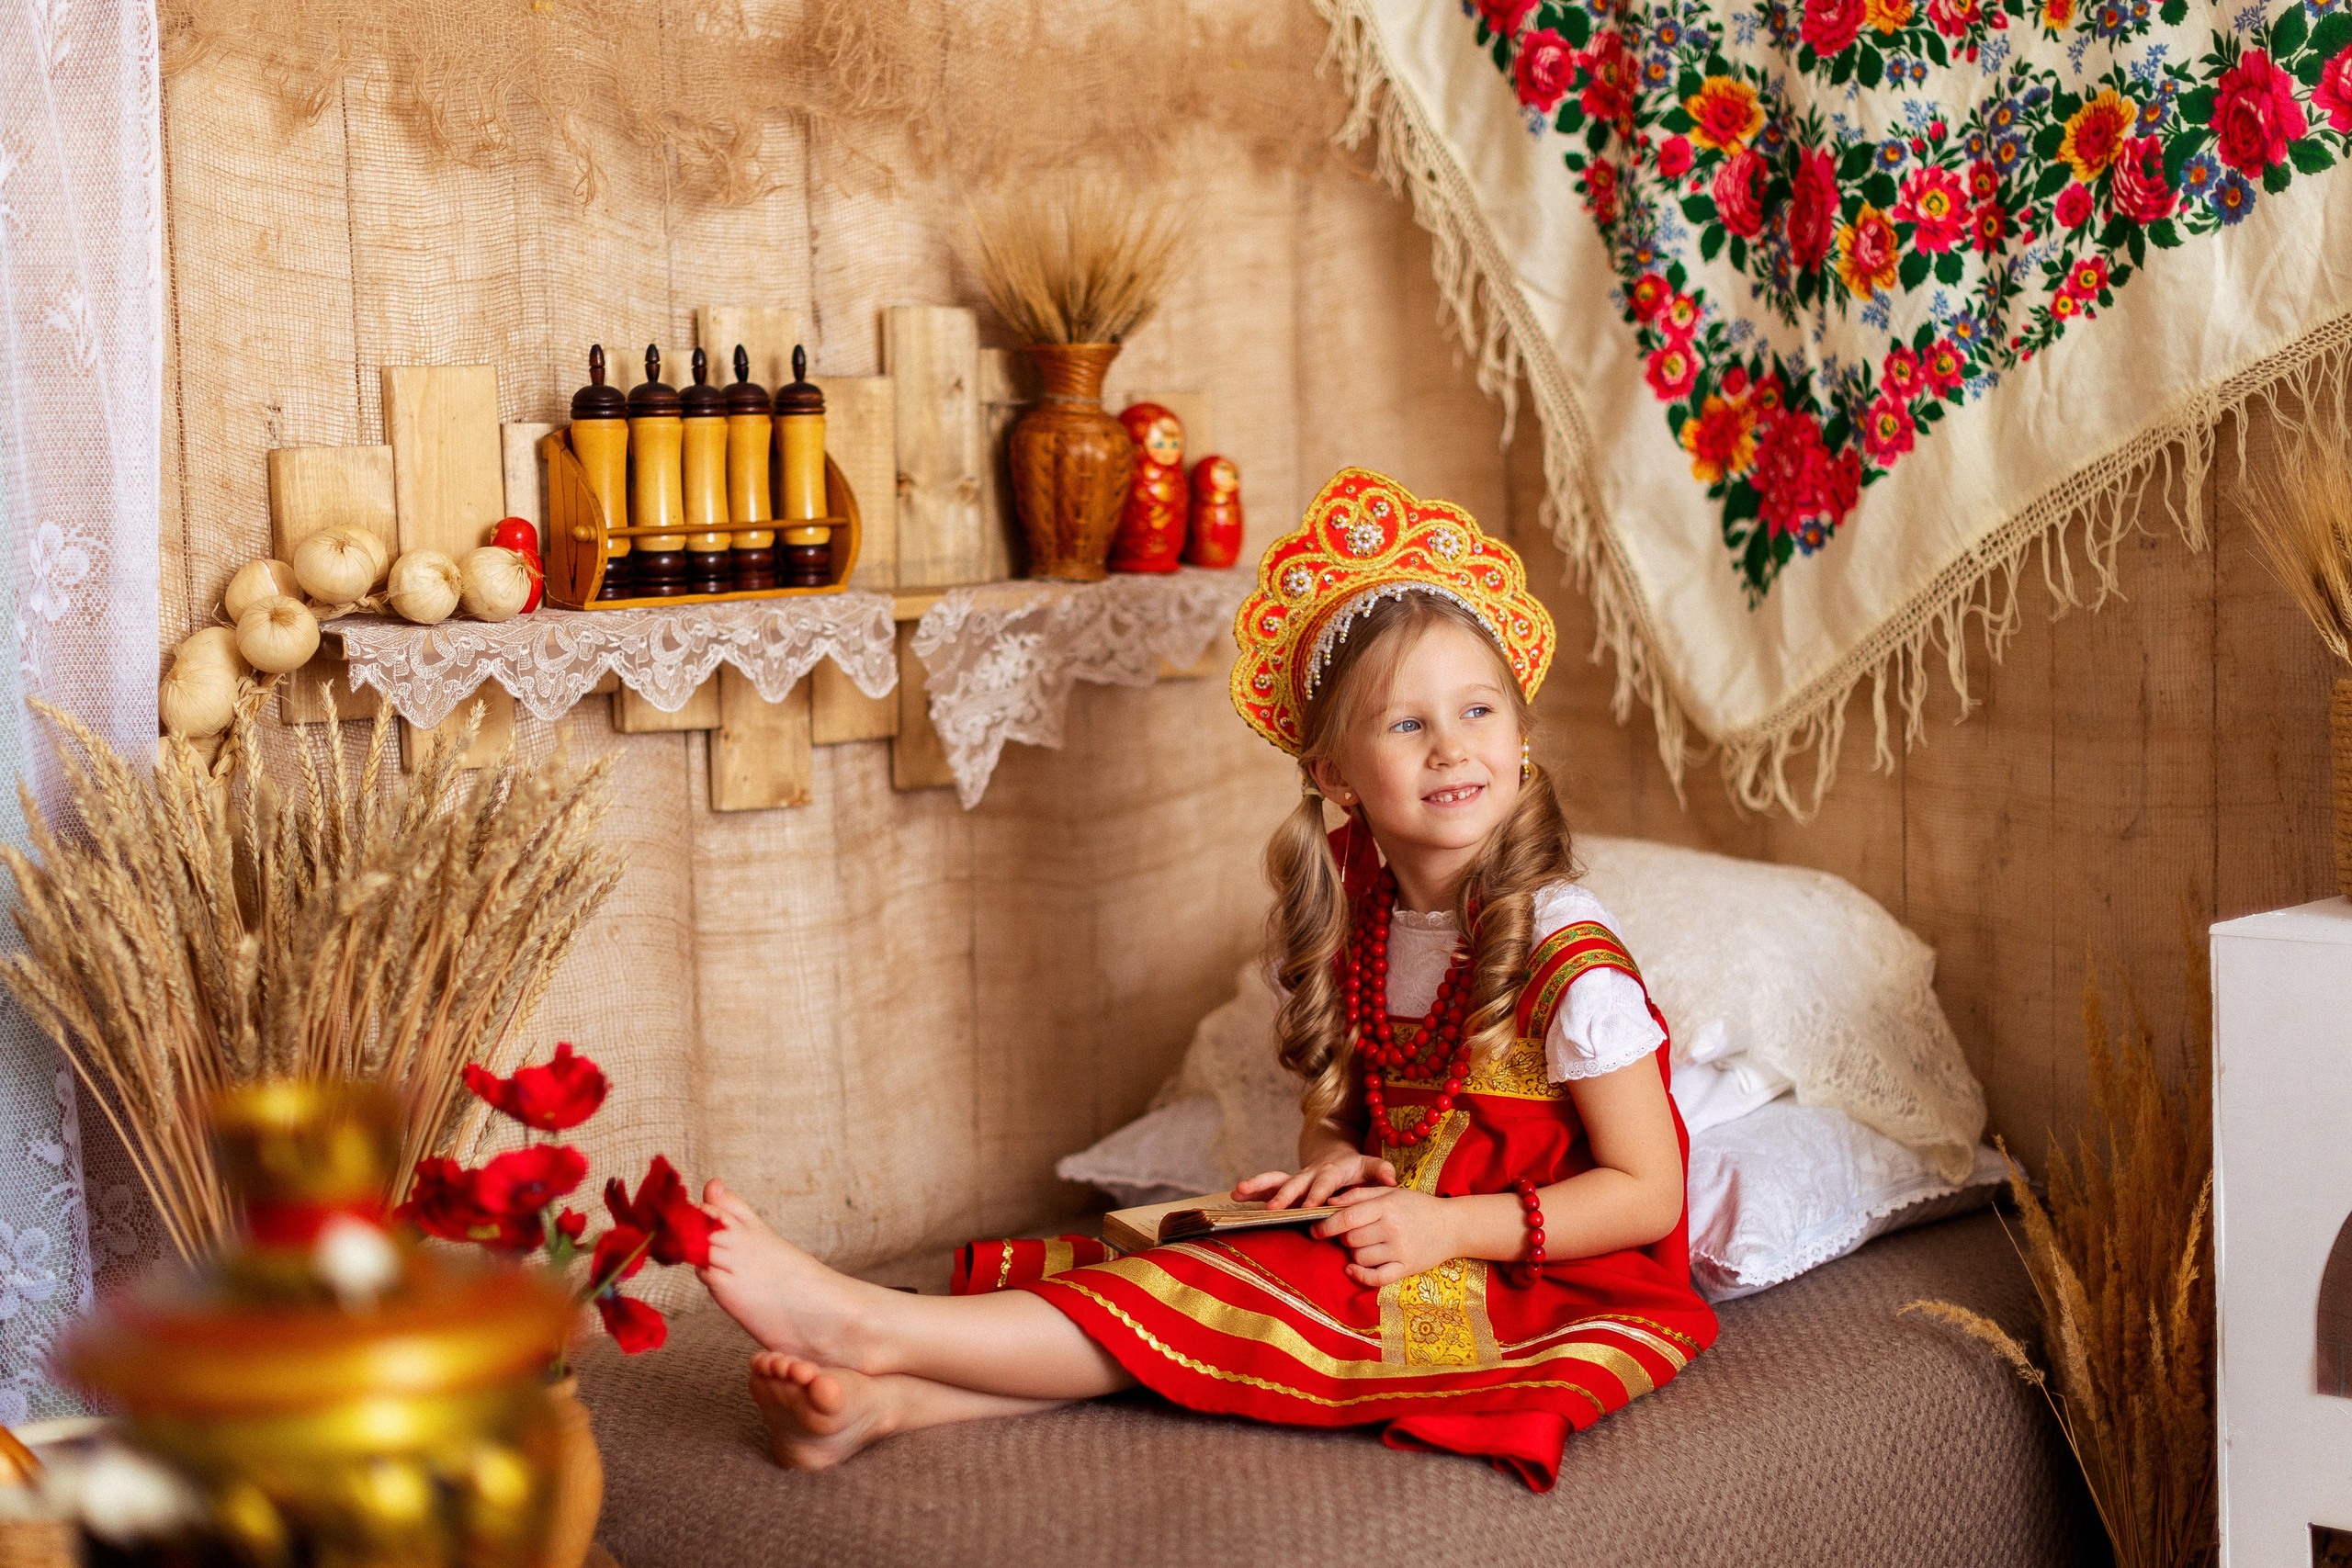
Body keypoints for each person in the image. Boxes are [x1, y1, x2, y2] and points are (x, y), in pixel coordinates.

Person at [697, 467, 1718, 1489]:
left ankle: (871, 1324)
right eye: (1406, 725)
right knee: (1195, 1258)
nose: (1452, 748)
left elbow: (1647, 1195)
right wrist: (1333, 1159)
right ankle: (888, 1403)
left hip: (1544, 1279)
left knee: (1245, 1278)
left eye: (1478, 710)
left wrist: (1448, 1224)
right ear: (1335, 775)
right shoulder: (1361, 926)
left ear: (1521, 736)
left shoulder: (1563, 949)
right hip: (1409, 1229)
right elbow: (1344, 1114)